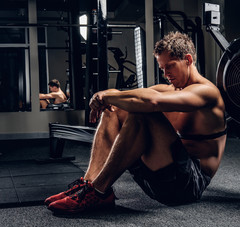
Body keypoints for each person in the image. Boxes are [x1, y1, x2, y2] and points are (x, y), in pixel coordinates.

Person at [45, 32, 227, 214]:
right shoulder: (170, 89)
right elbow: (129, 93)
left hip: (188, 186)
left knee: (142, 112)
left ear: (187, 59)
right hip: (160, 177)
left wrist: (110, 96)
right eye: (162, 68)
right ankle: (90, 186)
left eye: (170, 66)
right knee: (114, 110)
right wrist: (101, 97)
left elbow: (152, 102)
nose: (165, 74)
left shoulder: (207, 92)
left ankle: (98, 192)